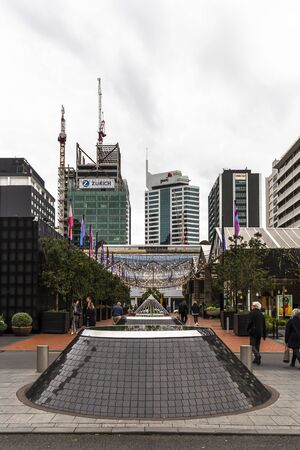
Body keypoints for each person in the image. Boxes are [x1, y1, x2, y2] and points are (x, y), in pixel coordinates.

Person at [247, 301, 266, 365]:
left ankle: (257, 355)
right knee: (257, 345)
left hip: (253, 331)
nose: (251, 306)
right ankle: (257, 359)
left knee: (252, 345)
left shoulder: (252, 313)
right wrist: (264, 334)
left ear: (254, 306)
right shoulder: (261, 314)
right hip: (259, 332)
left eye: (252, 305)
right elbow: (264, 324)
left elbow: (249, 322)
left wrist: (248, 329)